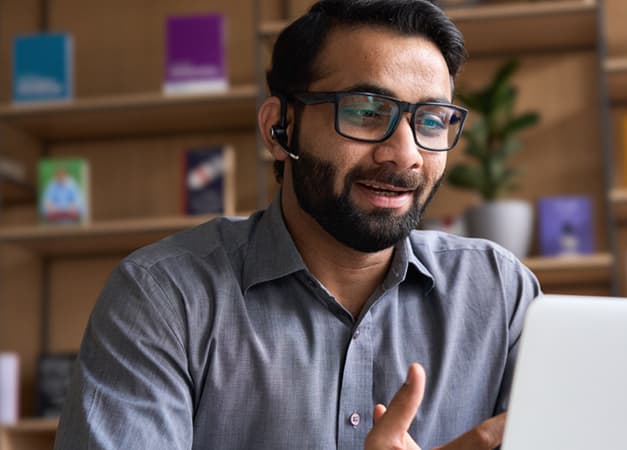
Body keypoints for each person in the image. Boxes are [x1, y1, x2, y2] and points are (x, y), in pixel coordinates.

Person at [54, 1, 540, 448]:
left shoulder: (500, 292)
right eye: (366, 112)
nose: (405, 154)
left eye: (431, 121)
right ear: (279, 129)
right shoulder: (164, 296)